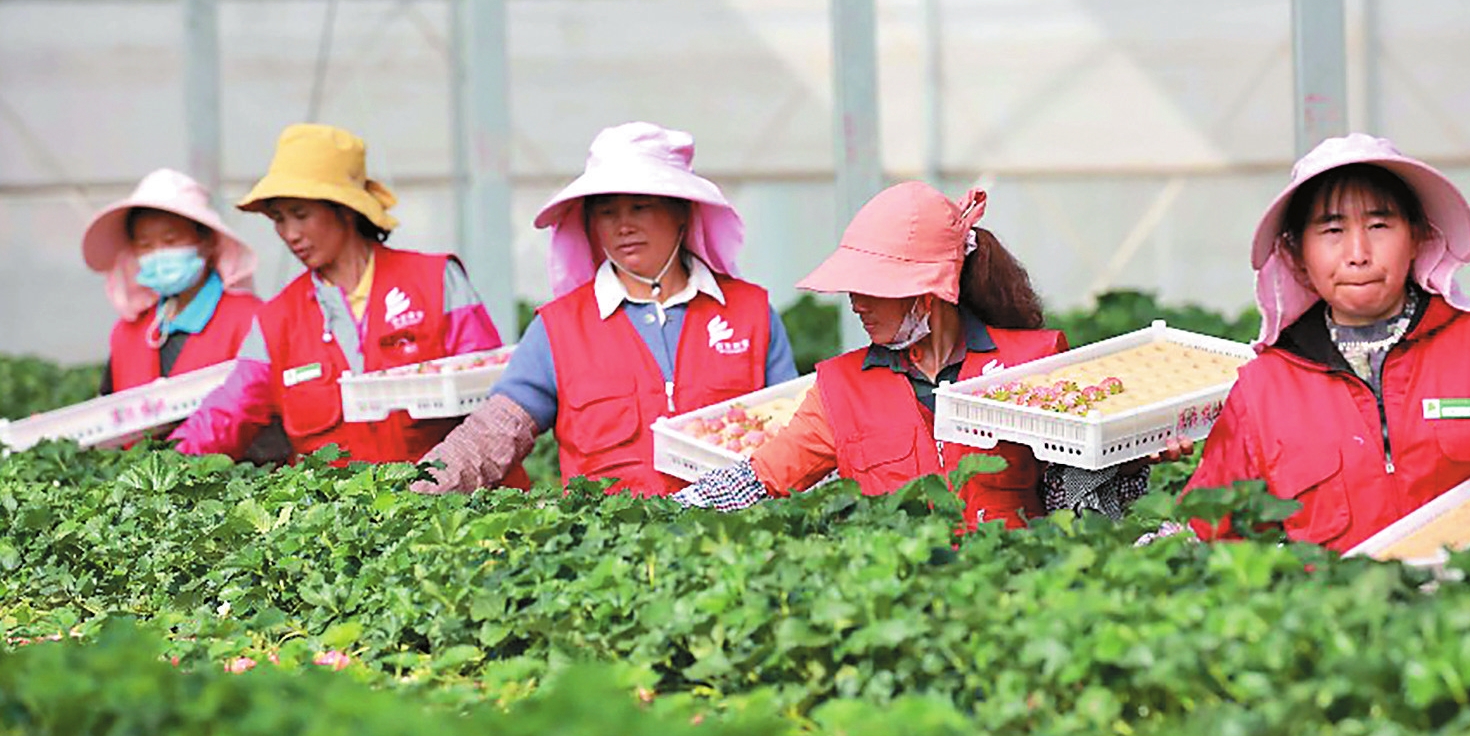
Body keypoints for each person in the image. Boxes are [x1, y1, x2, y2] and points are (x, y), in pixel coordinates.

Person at [1183, 133, 1470, 551]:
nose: (1358, 253)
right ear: (1297, 254)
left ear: (1418, 236)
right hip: (1335, 597)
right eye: (1332, 229)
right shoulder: (1264, 389)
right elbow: (1208, 534)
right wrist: (1137, 468)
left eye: (1379, 226)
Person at [414, 121, 797, 496]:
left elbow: (795, 434)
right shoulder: (559, 328)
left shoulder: (751, 314)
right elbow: (493, 433)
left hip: (734, 533)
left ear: (682, 211)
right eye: (606, 212)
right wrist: (412, 491)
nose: (623, 225)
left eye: (640, 207)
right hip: (605, 539)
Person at [675, 181, 1067, 530]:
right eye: (853, 288)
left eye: (872, 288)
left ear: (928, 290)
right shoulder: (839, 389)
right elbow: (759, 479)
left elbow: (1073, 488)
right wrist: (666, 515)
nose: (856, 303)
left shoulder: (1033, 363)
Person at [172, 123, 522, 478]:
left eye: (301, 214)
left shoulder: (435, 281)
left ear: (346, 209)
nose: (290, 234)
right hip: (337, 512)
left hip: (448, 501)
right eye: (278, 219)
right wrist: (166, 465)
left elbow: (492, 397)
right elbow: (230, 410)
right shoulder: (277, 319)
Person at [81, 169, 261, 394]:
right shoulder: (128, 332)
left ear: (207, 242)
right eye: (145, 245)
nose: (158, 254)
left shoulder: (247, 319)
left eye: (171, 241)